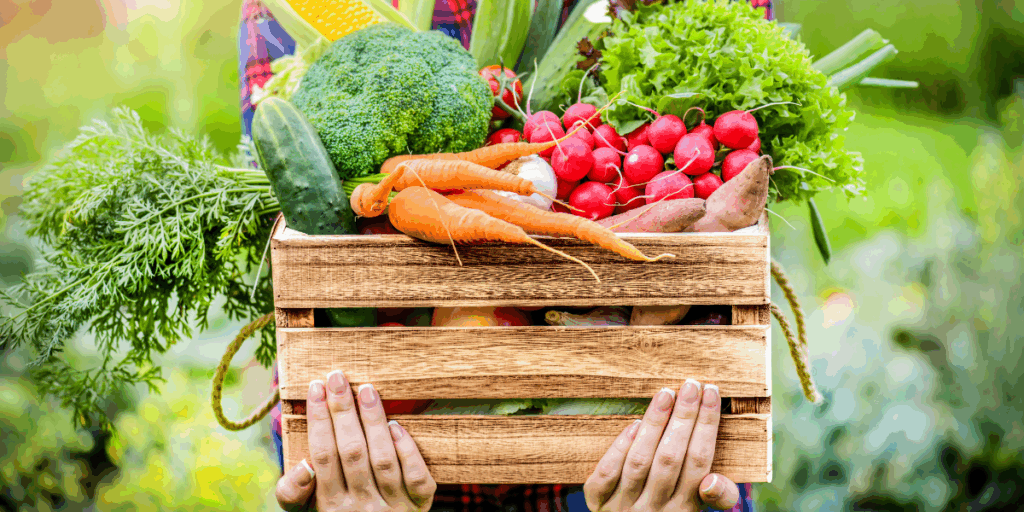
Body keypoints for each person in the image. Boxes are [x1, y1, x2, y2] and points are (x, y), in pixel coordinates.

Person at [238, 2, 774, 509]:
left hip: (647, 457)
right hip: (375, 457)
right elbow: (294, 206)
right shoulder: (287, 14)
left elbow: (726, 267)